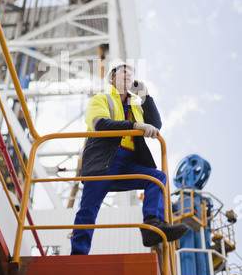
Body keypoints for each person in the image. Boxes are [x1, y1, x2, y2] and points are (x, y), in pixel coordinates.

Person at [70, 59, 189, 255]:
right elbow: (100, 125)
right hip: (103, 163)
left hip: (127, 164)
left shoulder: (134, 107)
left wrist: (146, 96)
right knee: (88, 210)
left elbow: (155, 124)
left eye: (131, 74)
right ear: (111, 78)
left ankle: (152, 226)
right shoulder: (101, 99)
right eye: (123, 72)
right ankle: (78, 255)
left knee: (157, 178)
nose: (128, 75)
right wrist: (135, 126)